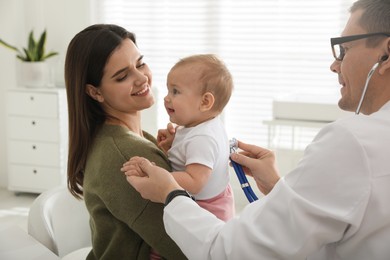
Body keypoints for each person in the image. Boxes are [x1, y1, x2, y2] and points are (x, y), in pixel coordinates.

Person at [121, 0, 390, 259]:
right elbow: (337, 228)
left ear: (386, 53)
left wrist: (170, 193)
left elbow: (230, 252)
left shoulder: (353, 142)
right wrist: (278, 187)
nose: (334, 65)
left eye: (344, 49)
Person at [64, 24, 186, 259]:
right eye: (122, 76)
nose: (141, 78)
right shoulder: (129, 155)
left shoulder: (122, 138)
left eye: (140, 63)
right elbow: (189, 248)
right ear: (95, 92)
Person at [123, 54, 235, 222]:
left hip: (205, 209)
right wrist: (174, 146)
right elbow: (192, 158)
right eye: (168, 90)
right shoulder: (202, 124)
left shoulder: (203, 138)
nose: (166, 98)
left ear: (205, 102)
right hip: (214, 199)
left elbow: (195, 182)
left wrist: (153, 173)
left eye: (175, 91)